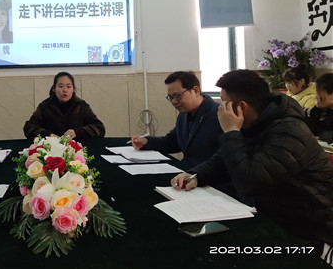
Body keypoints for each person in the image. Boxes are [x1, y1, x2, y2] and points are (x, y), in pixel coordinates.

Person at [171, 69, 333, 247]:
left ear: (242, 107)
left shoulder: (289, 132)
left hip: (309, 229)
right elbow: (224, 157)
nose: (221, 108)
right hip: (274, 217)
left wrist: (231, 132)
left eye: (224, 103)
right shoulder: (257, 122)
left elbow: (250, 183)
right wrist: (196, 175)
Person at [130, 71, 222, 167]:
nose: (174, 102)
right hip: (188, 172)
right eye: (171, 97)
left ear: (196, 91)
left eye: (178, 96)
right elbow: (172, 142)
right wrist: (147, 141)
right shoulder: (184, 115)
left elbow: (223, 157)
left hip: (208, 174)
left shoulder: (219, 114)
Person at [23, 71, 105, 140]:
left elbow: (99, 128)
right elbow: (29, 127)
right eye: (61, 86)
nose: (65, 90)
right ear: (54, 89)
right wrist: (48, 135)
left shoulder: (81, 106)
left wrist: (77, 132)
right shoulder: (45, 106)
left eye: (68, 86)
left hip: (76, 149)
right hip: (51, 149)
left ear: (73, 89)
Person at [305, 72, 333, 143]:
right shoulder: (323, 110)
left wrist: (321, 137)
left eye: (318, 92)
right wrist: (316, 109)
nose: (316, 97)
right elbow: (307, 129)